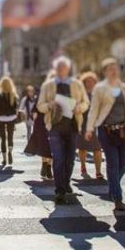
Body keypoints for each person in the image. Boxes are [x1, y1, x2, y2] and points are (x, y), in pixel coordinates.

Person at [85, 58, 125, 211]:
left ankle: (112, 186)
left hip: (123, 130)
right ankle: (117, 197)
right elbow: (94, 109)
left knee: (124, 163)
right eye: (110, 68)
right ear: (104, 72)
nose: (114, 70)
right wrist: (89, 129)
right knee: (113, 162)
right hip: (106, 130)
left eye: (115, 68)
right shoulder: (100, 88)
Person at [37, 56, 89, 204]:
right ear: (55, 69)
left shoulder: (77, 84)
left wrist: (80, 107)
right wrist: (50, 105)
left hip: (73, 126)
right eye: (58, 68)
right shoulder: (47, 85)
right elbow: (40, 106)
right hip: (54, 127)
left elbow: (86, 102)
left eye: (63, 67)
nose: (61, 70)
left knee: (70, 159)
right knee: (58, 159)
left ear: (68, 69)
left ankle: (66, 183)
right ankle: (59, 190)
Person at [76, 72, 104, 180]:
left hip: (96, 124)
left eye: (92, 81)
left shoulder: (99, 93)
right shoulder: (80, 93)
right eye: (87, 81)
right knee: (82, 148)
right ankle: (83, 166)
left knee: (97, 148)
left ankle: (98, 171)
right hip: (82, 123)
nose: (90, 83)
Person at [24, 87, 53, 180]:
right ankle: (48, 167)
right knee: (51, 147)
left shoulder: (40, 98)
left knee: (45, 146)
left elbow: (34, 114)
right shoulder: (56, 97)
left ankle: (45, 165)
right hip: (51, 124)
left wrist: (35, 125)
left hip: (41, 125)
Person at [0, 77, 19, 167]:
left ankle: (4, 159)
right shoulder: (13, 94)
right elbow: (16, 107)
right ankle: (10, 152)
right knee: (10, 137)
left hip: (0, 118)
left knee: (3, 138)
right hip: (11, 118)